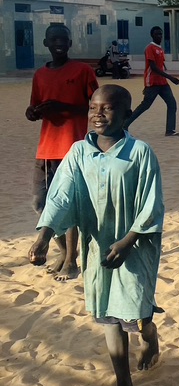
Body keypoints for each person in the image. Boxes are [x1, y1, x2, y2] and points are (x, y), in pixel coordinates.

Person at [28, 85, 164, 386]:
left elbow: (152, 203)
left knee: (136, 309)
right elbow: (61, 196)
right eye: (93, 108)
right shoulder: (78, 153)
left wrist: (129, 240)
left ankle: (150, 334)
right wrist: (44, 236)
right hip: (97, 247)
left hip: (134, 246)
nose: (98, 114)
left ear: (127, 114)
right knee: (108, 315)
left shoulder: (140, 153)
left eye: (107, 108)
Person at [26, 23, 99, 280]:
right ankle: (65, 251)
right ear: (46, 43)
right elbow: (35, 106)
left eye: (64, 39)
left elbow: (96, 107)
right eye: (54, 39)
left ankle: (70, 260)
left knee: (71, 205)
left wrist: (62, 106)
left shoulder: (82, 71)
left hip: (73, 147)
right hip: (46, 148)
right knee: (41, 203)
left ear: (70, 43)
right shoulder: (40, 75)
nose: (59, 43)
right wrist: (32, 112)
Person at [125, 26, 179, 137]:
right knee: (145, 105)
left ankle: (170, 130)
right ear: (152, 35)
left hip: (162, 83)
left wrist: (166, 77)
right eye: (157, 34)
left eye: (161, 34)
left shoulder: (160, 49)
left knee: (172, 104)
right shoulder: (150, 48)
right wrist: (170, 77)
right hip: (152, 83)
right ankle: (125, 124)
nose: (159, 36)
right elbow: (153, 67)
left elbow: (160, 65)